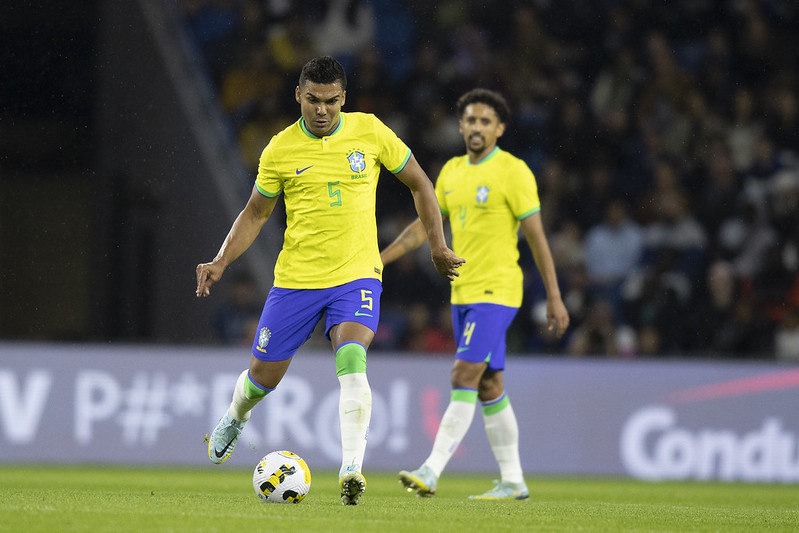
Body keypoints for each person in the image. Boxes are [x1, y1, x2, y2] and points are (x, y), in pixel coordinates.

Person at [195, 56, 463, 506]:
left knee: (353, 357)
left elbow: (421, 184)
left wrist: (437, 244)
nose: (322, 110)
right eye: (313, 100)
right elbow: (255, 213)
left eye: (332, 101)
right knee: (262, 379)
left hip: (357, 275)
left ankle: (351, 469)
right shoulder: (279, 149)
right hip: (297, 280)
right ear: (298, 96)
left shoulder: (371, 132)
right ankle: (235, 415)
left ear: (344, 99)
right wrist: (221, 260)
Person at [380, 88, 569, 500]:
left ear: (500, 129)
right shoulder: (450, 171)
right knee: (489, 385)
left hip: (498, 289)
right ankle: (514, 480)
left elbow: (536, 237)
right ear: (461, 126)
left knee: (463, 374)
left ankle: (431, 471)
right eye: (470, 120)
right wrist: (380, 260)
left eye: (486, 121)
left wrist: (554, 295)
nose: (477, 127)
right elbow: (423, 228)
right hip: (462, 292)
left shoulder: (514, 171)